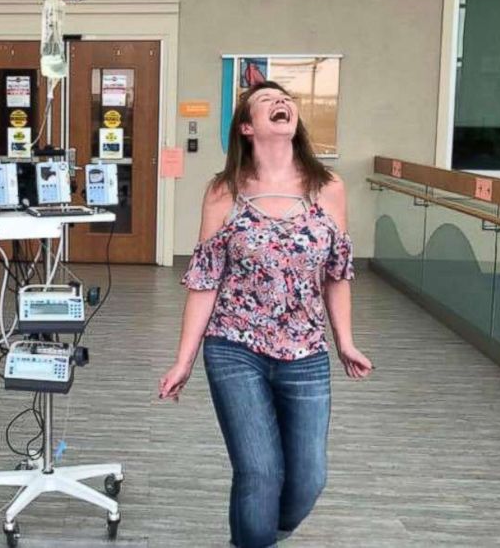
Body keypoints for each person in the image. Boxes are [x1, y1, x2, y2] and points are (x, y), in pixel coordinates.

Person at [158, 81, 373, 548]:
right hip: (235, 347)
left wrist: (345, 341)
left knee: (309, 477)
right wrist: (183, 361)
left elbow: (337, 273)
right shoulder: (224, 191)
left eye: (286, 100)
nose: (282, 103)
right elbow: (204, 281)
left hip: (306, 350)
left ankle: (258, 536)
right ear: (247, 127)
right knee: (259, 471)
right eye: (266, 101)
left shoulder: (329, 188)